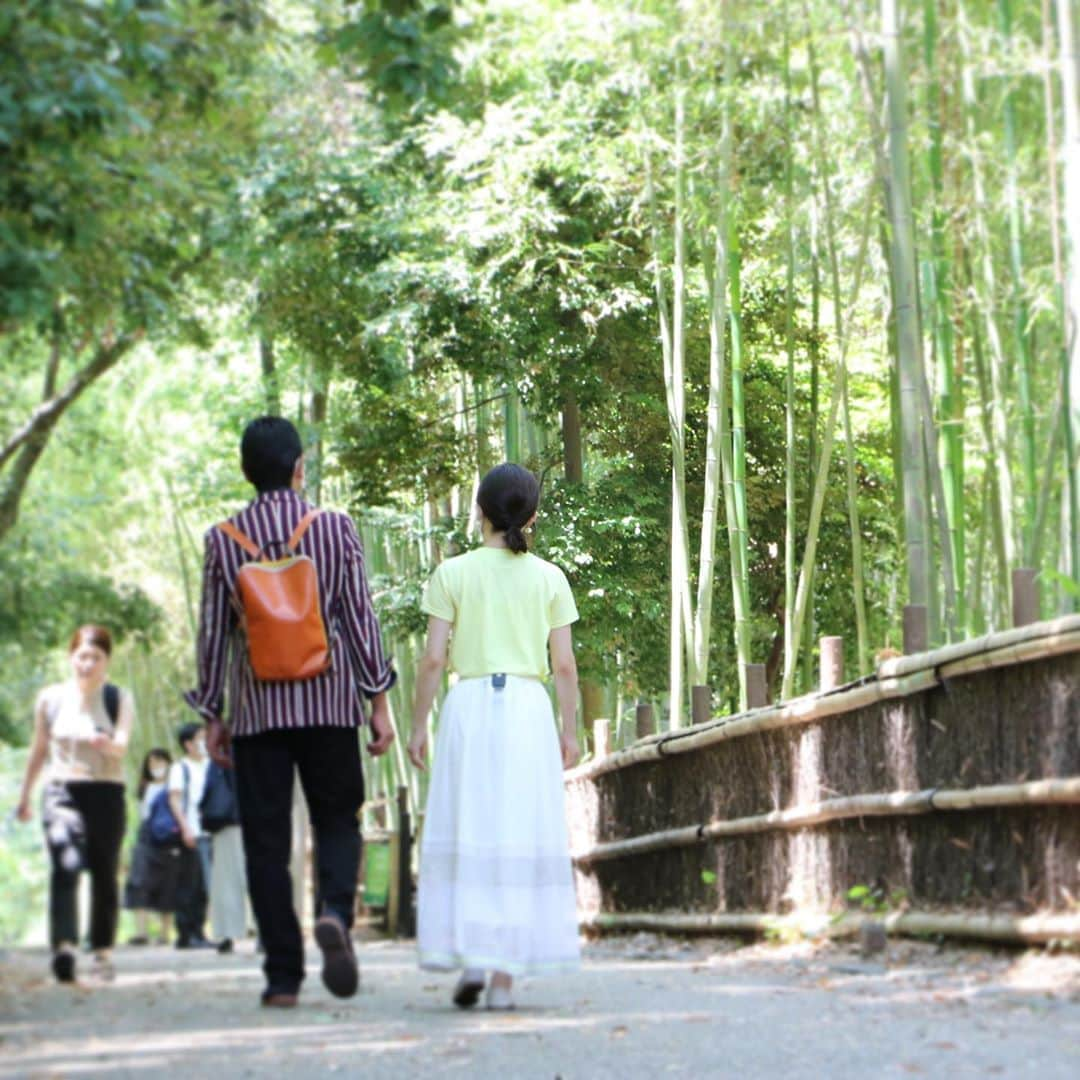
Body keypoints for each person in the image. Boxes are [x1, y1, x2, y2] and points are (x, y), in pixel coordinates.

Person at [184, 415, 396, 1008]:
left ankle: (282, 976)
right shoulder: (333, 527)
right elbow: (358, 619)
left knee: (265, 845)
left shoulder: (223, 539)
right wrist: (378, 702)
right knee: (338, 819)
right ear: (299, 466)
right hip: (329, 706)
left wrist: (212, 715)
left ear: (247, 472)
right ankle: (333, 911)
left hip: (257, 715)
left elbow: (213, 637)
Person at [407, 463, 581, 1011]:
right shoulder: (549, 577)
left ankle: (474, 957)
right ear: (530, 516)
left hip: (468, 707)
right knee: (519, 832)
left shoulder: (452, 573)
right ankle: (503, 979)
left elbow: (434, 658)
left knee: (471, 826)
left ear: (479, 511)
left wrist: (417, 725)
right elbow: (566, 666)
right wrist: (569, 731)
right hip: (529, 708)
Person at [16, 625, 133, 984]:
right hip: (61, 791)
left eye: (95, 657)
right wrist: (25, 797)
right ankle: (64, 947)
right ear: (71, 658)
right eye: (81, 656)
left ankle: (101, 951)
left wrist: (103, 742)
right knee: (65, 862)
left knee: (104, 871)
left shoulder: (118, 697)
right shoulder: (50, 699)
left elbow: (122, 744)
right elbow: (39, 751)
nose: (87, 663)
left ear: (106, 662)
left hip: (106, 792)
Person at [123, 747, 181, 945]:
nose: (157, 767)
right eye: (153, 764)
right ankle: (141, 931)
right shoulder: (143, 788)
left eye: (161, 763)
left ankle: (165, 933)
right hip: (146, 837)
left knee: (169, 883)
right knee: (139, 882)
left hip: (170, 838)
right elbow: (142, 814)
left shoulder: (176, 786)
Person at [170, 721, 213, 948]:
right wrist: (185, 828)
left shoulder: (212, 764)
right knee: (191, 885)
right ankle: (186, 934)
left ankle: (199, 931)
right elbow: (175, 800)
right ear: (188, 744)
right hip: (191, 832)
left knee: (206, 885)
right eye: (200, 738)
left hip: (210, 830)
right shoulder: (181, 768)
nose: (205, 742)